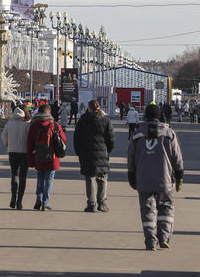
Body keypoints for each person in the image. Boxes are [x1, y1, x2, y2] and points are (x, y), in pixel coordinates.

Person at [127, 103, 184, 251]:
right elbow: (177, 157)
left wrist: (131, 175)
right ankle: (163, 237)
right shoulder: (169, 134)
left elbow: (131, 157)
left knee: (147, 211)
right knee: (166, 207)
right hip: (165, 179)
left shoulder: (137, 134)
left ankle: (151, 242)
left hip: (143, 179)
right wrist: (179, 175)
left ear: (146, 116)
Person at [74, 100, 115, 212]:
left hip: (86, 153)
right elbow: (111, 138)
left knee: (90, 178)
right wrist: (107, 150)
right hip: (102, 152)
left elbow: (77, 137)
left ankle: (91, 204)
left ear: (89, 108)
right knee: (102, 178)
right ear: (99, 107)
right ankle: (102, 203)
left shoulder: (83, 120)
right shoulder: (106, 121)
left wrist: (78, 151)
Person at [26, 103, 67, 211]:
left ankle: (38, 199)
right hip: (52, 157)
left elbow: (29, 142)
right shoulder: (54, 125)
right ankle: (45, 203)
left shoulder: (34, 124)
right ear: (49, 112)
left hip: (39, 155)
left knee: (40, 177)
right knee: (49, 179)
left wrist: (30, 157)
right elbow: (64, 139)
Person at [1, 103, 31, 209]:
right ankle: (19, 201)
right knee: (23, 176)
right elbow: (30, 138)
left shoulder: (9, 123)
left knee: (14, 174)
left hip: (12, 152)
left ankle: (13, 198)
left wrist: (7, 143)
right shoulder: (27, 124)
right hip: (24, 152)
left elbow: (4, 135)